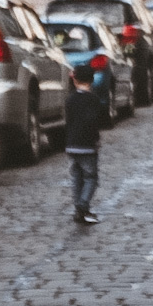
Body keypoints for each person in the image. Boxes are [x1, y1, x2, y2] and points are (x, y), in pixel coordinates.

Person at [65, 61, 104, 226]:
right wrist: (96, 139)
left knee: (76, 177)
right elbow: (94, 122)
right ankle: (83, 205)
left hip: (72, 145)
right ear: (92, 80)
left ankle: (78, 208)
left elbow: (68, 121)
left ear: (74, 80)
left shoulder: (70, 99)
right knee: (91, 178)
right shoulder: (93, 99)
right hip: (87, 146)